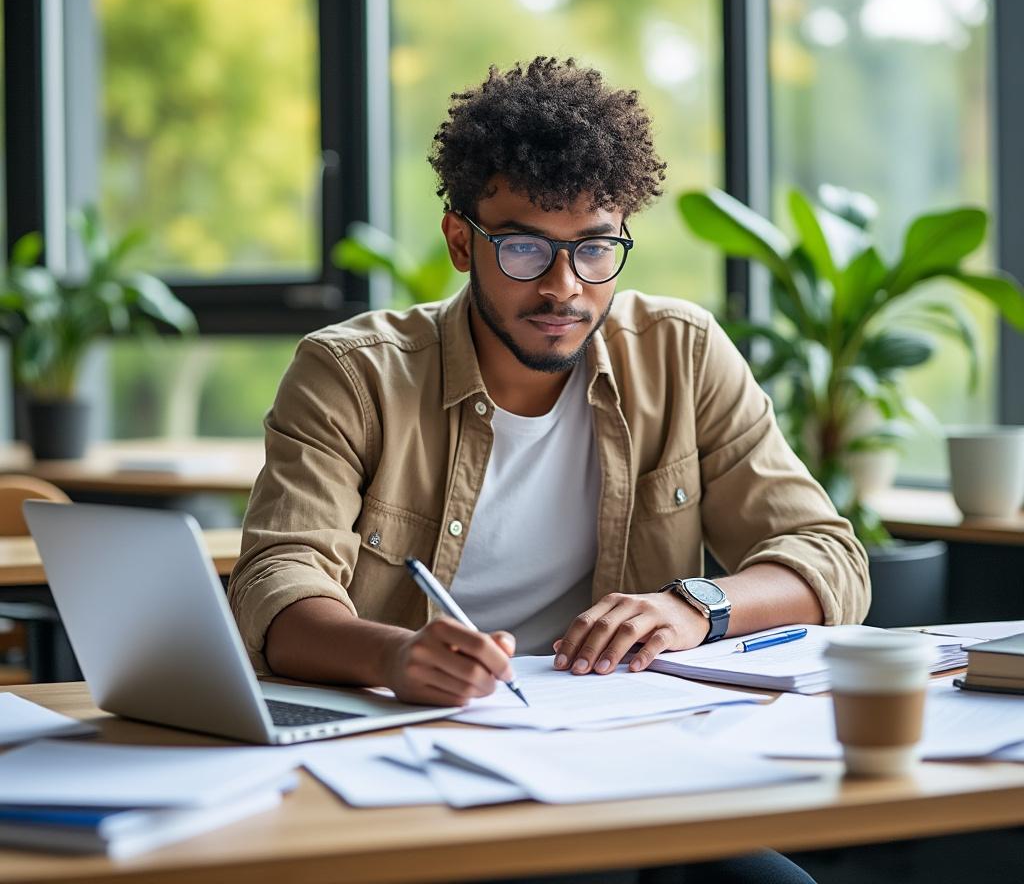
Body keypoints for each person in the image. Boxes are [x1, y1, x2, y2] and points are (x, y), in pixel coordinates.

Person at [229, 56, 865, 882]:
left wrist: (692, 607)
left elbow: (828, 556)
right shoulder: (352, 373)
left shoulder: (681, 351)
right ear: (462, 241)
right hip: (410, 770)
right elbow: (277, 586)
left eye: (596, 248)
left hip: (625, 771)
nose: (564, 287)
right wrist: (391, 657)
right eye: (525, 248)